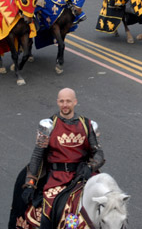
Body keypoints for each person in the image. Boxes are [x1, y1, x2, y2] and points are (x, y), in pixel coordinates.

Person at [20, 88, 104, 229]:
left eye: (68, 101)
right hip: (57, 179)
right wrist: (30, 183)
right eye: (62, 101)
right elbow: (37, 155)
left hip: (82, 177)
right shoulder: (48, 125)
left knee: (109, 205)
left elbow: (99, 153)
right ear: (58, 102)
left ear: (75, 102)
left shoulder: (88, 125)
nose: (65, 105)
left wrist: (90, 167)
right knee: (47, 211)